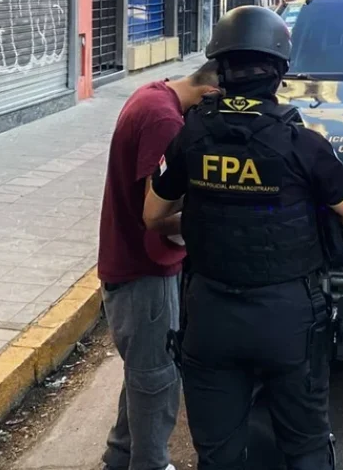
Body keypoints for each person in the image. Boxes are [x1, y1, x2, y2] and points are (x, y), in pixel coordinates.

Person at [143, 5, 343, 470]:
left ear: (221, 70)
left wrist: (209, 216)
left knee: (218, 453)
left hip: (210, 314)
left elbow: (152, 215)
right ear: (279, 73)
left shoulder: (191, 137)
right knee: (305, 445)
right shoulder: (304, 144)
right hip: (287, 319)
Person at [96, 61, 221, 470]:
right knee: (157, 380)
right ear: (208, 95)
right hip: (144, 270)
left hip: (131, 262)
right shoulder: (165, 121)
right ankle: (149, 463)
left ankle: (121, 454)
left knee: (143, 370)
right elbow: (158, 213)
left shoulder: (153, 93)